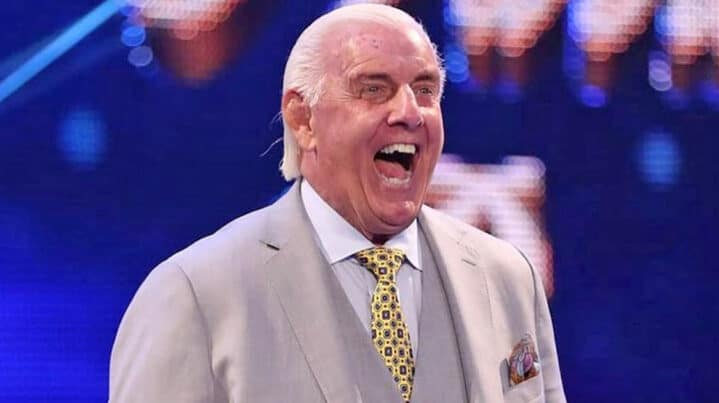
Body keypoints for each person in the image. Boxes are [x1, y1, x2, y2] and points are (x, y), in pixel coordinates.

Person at [109, 4, 565, 403]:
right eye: (371, 90)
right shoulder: (199, 291)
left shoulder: (504, 276)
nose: (405, 115)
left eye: (425, 91)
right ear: (303, 120)